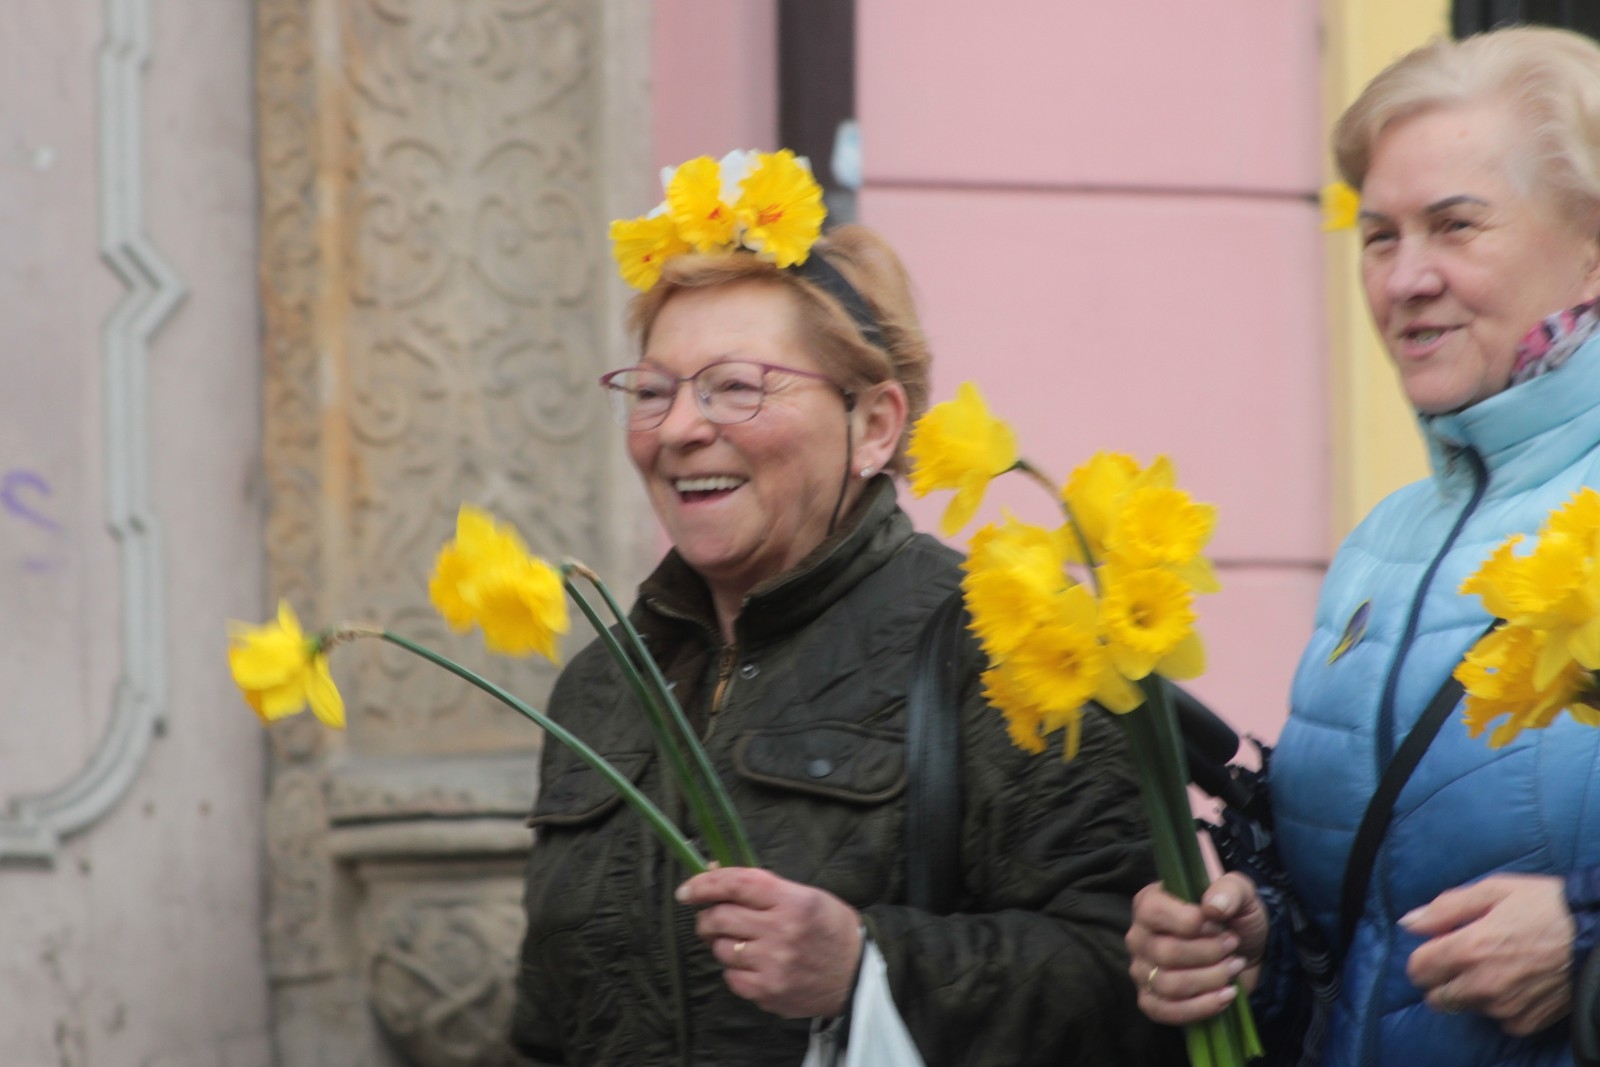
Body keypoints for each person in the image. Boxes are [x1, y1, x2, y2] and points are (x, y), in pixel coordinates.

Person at [507, 151, 1177, 1066]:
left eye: (735, 385)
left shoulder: (1003, 646)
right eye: (653, 392)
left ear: (874, 425)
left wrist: (869, 962)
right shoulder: (602, 686)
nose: (678, 429)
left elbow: (1124, 984)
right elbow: (546, 1027)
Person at [1126, 25, 1600, 1067]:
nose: (1405, 279)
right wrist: (1253, 951)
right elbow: (1358, 932)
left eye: (1455, 225)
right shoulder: (1379, 550)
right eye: (1379, 236)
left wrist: (1587, 947)